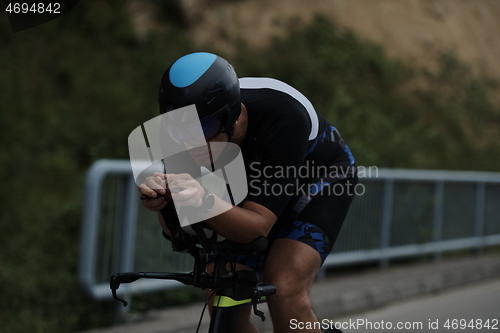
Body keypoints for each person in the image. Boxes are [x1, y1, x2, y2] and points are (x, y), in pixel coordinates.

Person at [139, 52, 357, 333]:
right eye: (178, 130)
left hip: (316, 176)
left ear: (231, 116)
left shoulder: (283, 114)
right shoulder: (186, 134)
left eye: (203, 128)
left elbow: (255, 228)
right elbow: (175, 231)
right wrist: (162, 201)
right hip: (254, 181)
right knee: (224, 295)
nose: (190, 143)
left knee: (284, 288)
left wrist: (203, 200)